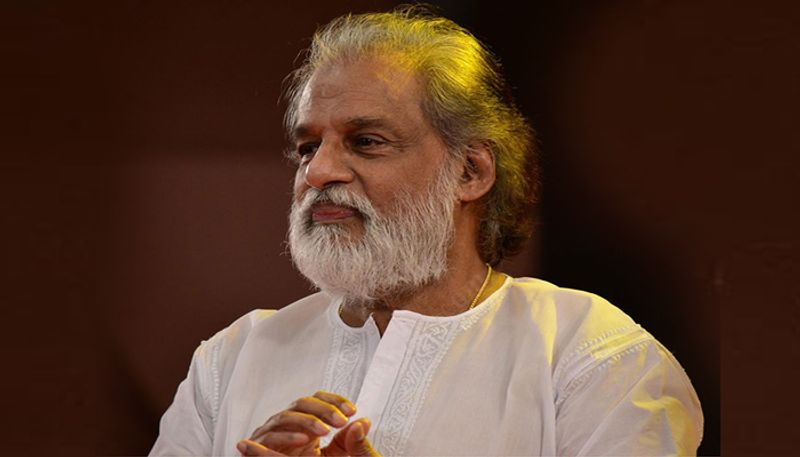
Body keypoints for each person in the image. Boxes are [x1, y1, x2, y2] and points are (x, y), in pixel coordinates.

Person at [150, 6, 703, 456]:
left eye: (366, 141)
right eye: (307, 147)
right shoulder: (230, 362)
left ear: (470, 172)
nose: (318, 173)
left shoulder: (592, 358)